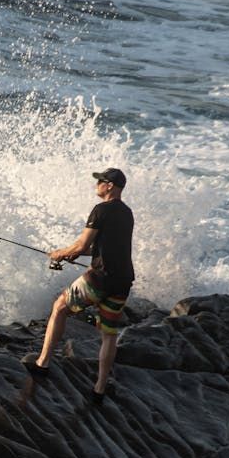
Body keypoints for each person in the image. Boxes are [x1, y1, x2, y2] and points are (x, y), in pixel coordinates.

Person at [24, 167, 135, 402]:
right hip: (123, 280)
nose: (97, 185)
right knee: (109, 333)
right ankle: (100, 388)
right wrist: (77, 255)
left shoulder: (100, 210)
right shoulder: (127, 213)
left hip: (101, 278)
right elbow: (104, 248)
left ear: (110, 186)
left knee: (60, 307)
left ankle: (43, 363)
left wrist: (60, 253)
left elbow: (82, 245)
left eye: (100, 182)